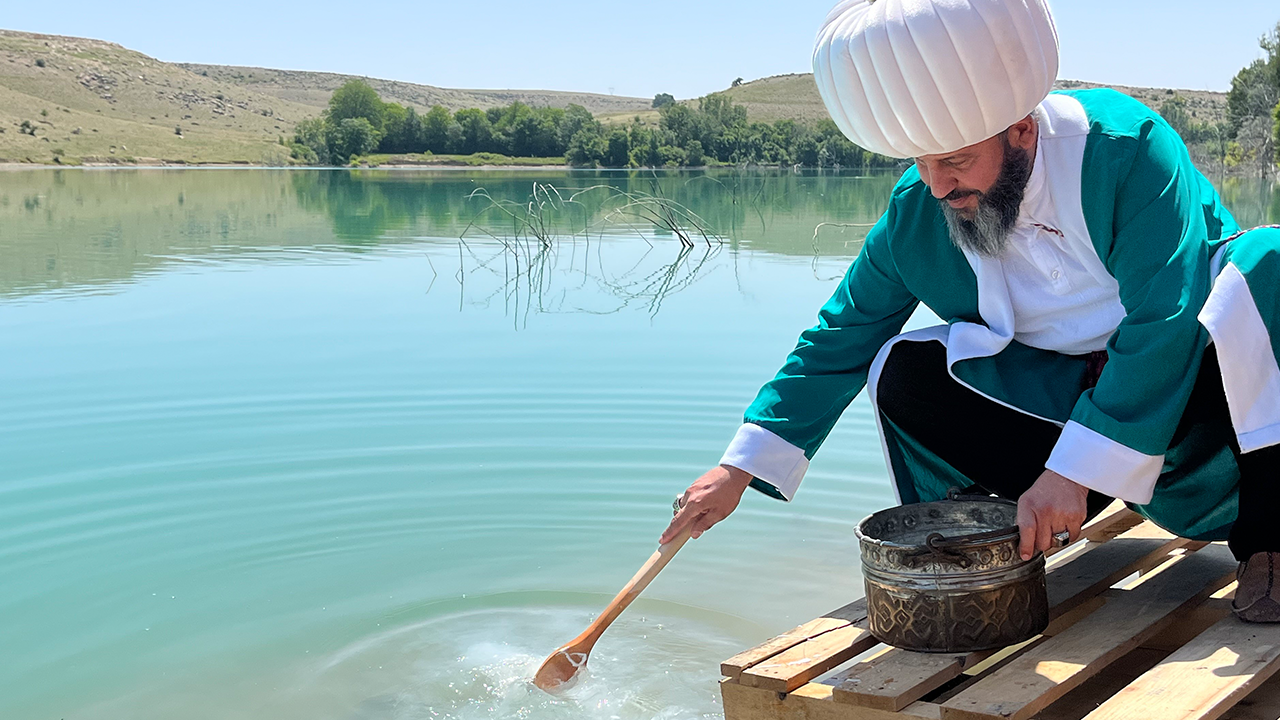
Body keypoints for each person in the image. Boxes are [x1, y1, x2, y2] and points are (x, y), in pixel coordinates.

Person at [660, 0, 1280, 622]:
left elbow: (1165, 319)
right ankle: (981, 554)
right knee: (905, 370)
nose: (937, 186)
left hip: (1207, 409)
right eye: (920, 163)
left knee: (1270, 261)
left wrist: (1074, 470)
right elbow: (842, 333)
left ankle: (1271, 544)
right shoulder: (919, 209)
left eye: (954, 160)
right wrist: (738, 467)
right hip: (1062, 411)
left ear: (1022, 129)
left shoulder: (1127, 149)